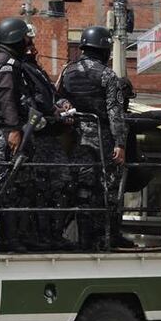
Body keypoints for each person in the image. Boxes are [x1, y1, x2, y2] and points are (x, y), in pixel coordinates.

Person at [0, 17, 72, 250]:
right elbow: (7, 97)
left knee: (22, 186)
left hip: (10, 130)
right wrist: (13, 129)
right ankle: (11, 238)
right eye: (25, 39)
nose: (28, 44)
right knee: (11, 186)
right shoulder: (4, 61)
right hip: (6, 132)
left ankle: (20, 236)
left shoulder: (3, 60)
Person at [57, 26, 131, 248]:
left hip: (74, 140)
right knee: (109, 190)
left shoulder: (67, 71)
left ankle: (83, 238)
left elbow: (59, 100)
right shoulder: (107, 75)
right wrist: (120, 143)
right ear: (105, 49)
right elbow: (115, 112)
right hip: (102, 140)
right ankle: (109, 236)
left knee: (81, 189)